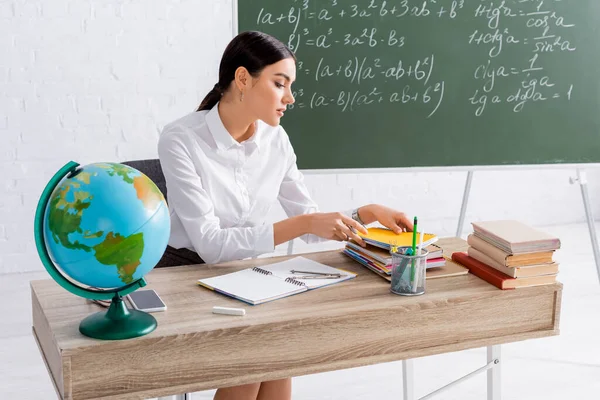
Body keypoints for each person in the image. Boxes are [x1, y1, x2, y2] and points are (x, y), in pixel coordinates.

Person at [157, 30, 413, 400]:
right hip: (188, 274)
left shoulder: (276, 141)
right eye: (280, 84)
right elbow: (211, 246)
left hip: (249, 273)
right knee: (259, 356)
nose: (290, 99)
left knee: (282, 350)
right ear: (243, 79)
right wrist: (305, 223)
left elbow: (308, 221)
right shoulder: (181, 138)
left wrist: (367, 212)